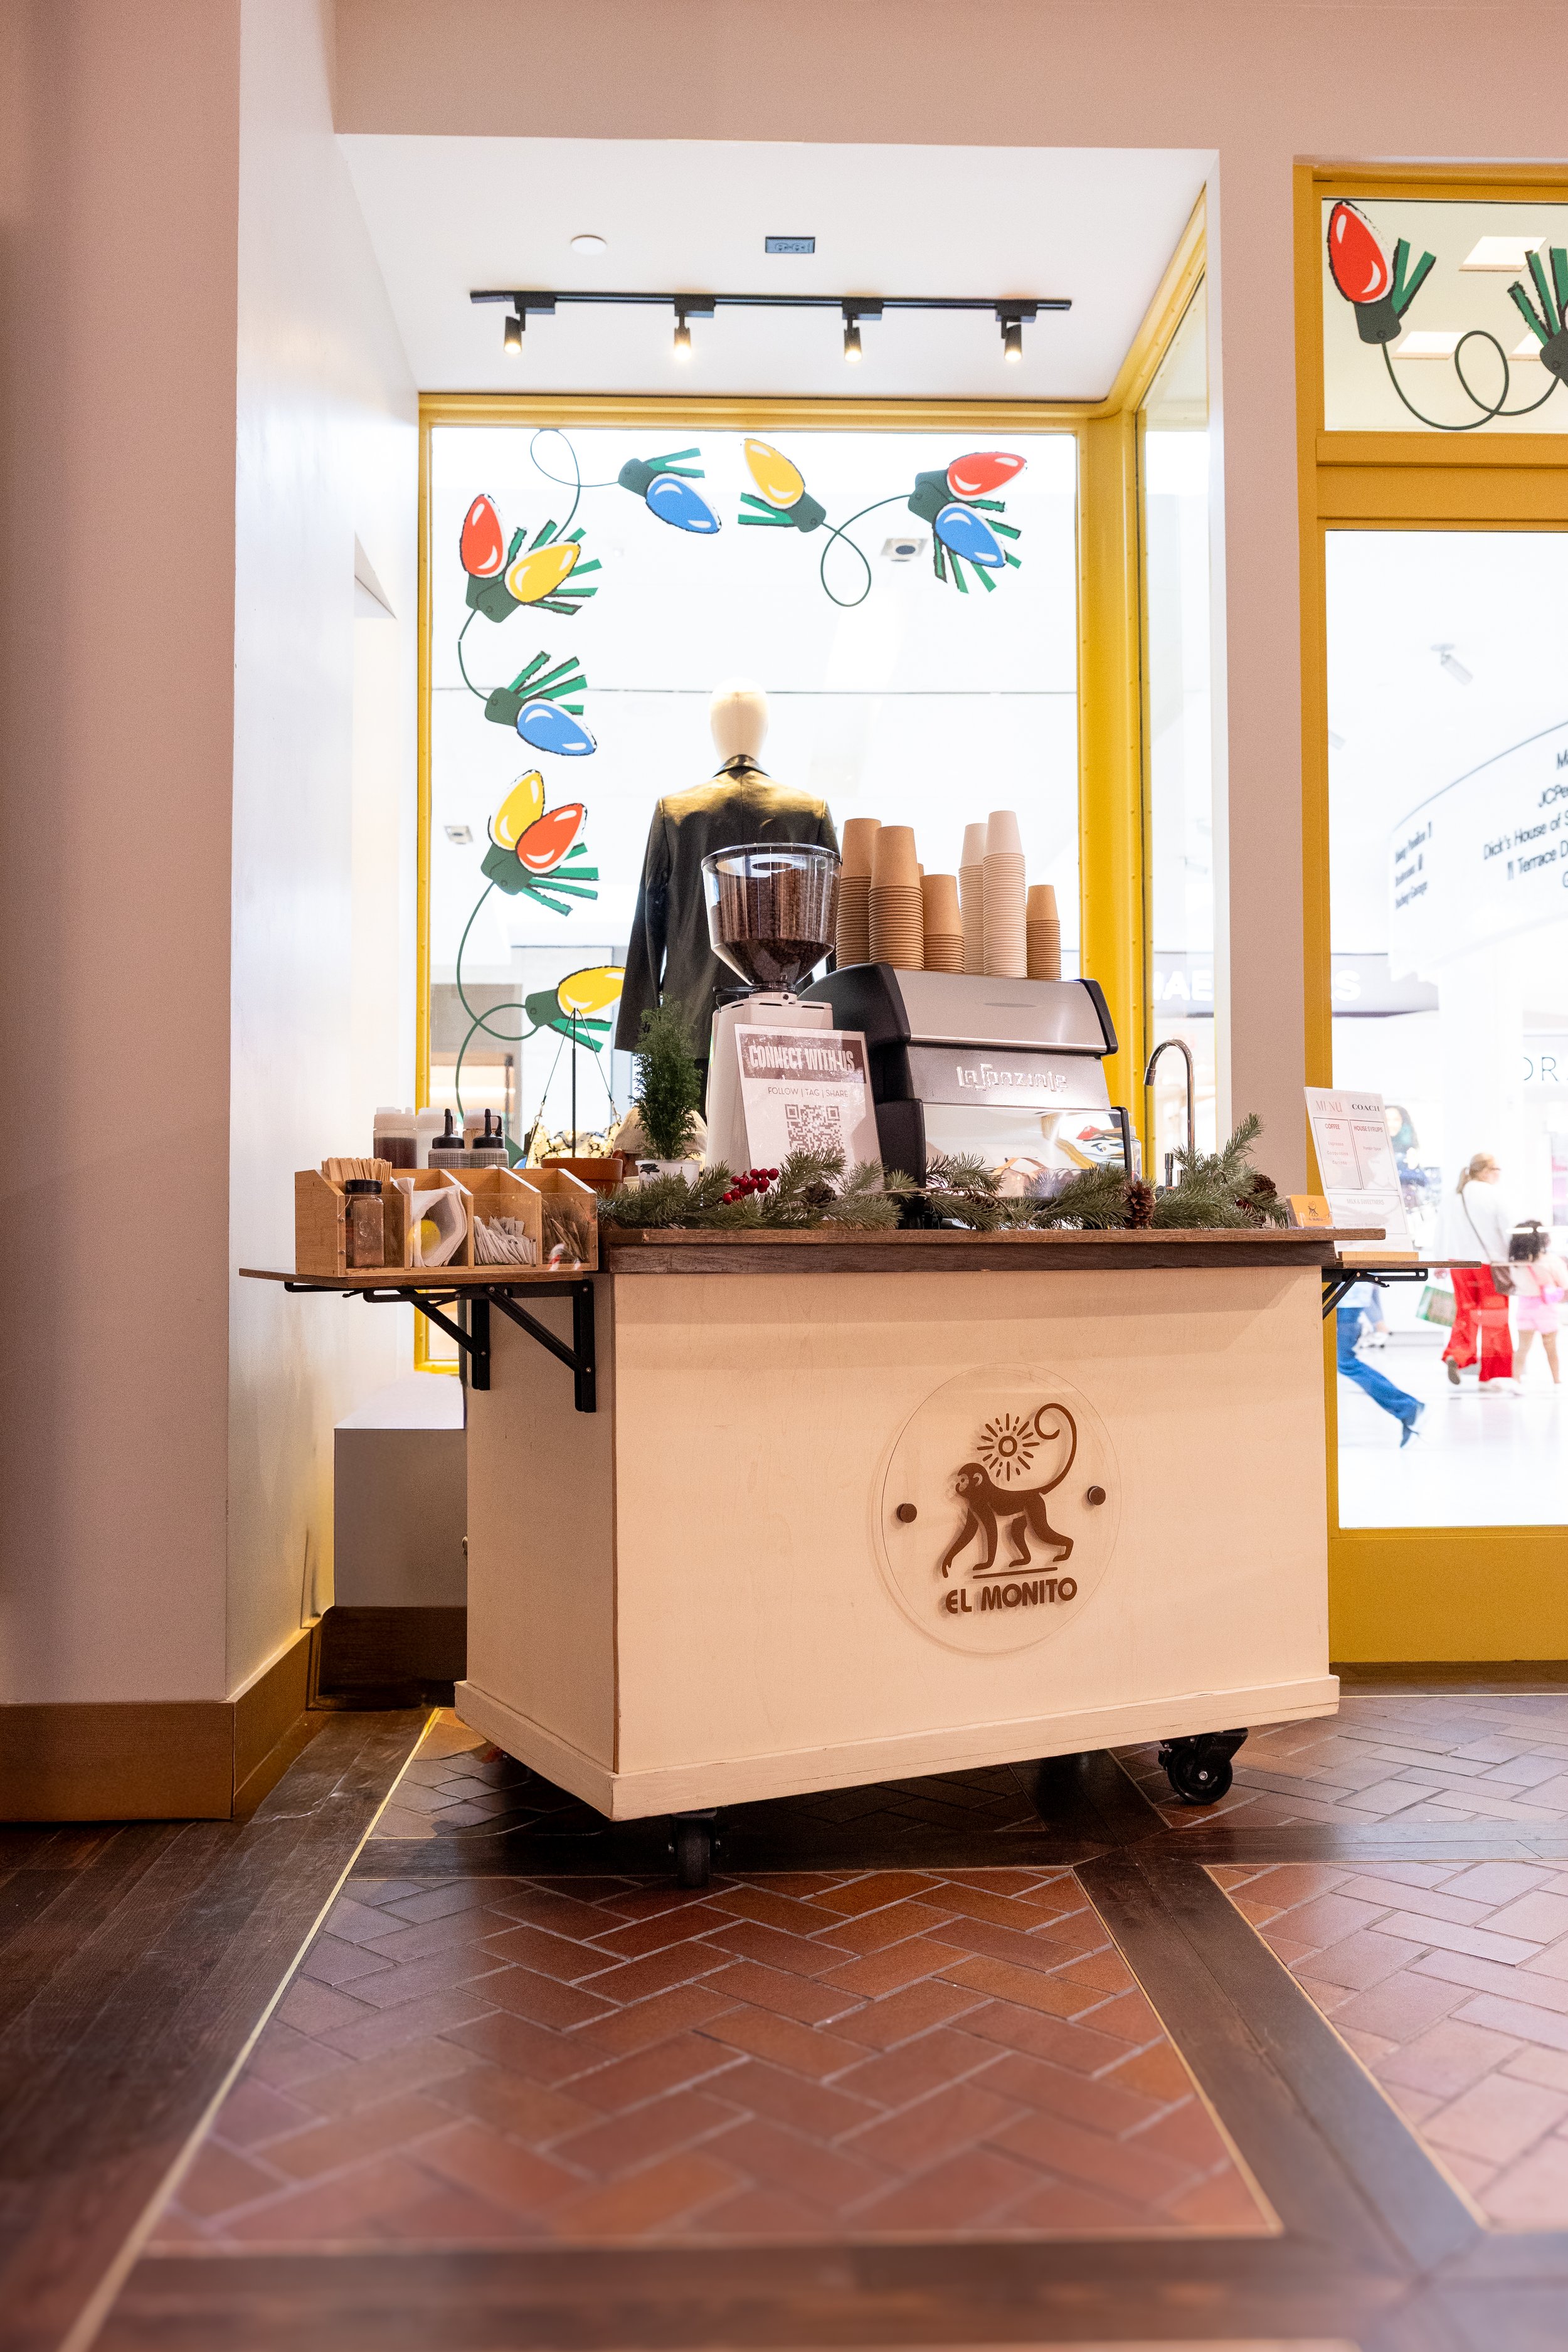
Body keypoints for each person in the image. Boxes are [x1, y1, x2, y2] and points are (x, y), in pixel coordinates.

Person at [1436, 1152, 1516, 1392]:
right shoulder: (1493, 1195)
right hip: (1489, 1265)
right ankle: (1494, 1375)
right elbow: (1508, 1232)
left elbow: (1441, 1231)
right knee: (1494, 1319)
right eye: (1497, 1170)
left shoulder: (1453, 1195)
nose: (1499, 1175)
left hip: (1458, 1264)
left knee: (1465, 1313)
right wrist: (1512, 1261)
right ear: (1486, 1171)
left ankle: (1457, 1355)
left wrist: (1439, 1262)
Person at [1336, 1281, 1425, 1446]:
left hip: (1346, 1301)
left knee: (1344, 1362)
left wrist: (1378, 1321)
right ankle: (1407, 1407)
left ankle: (1407, 1407)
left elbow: (1367, 1278)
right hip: (1343, 1299)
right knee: (1343, 1361)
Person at [1509, 1220, 1565, 1386]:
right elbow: (1564, 1282)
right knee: (1551, 1347)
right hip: (1546, 1308)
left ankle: (1516, 1379)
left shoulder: (1515, 1263)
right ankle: (1556, 1379)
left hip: (1525, 1306)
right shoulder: (1551, 1261)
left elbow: (1513, 1282)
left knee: (1522, 1348)